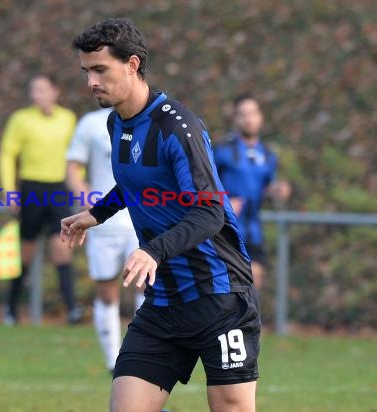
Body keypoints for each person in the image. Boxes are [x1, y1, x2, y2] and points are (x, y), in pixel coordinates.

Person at [61, 18, 260, 412]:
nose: (91, 82)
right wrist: (97, 213)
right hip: (165, 301)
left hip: (218, 296)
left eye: (100, 70)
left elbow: (209, 213)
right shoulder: (117, 122)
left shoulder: (177, 127)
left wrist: (153, 251)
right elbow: (142, 181)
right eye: (87, 72)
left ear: (132, 65)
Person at [0, 74, 84, 325]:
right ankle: (11, 309)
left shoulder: (68, 119)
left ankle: (72, 310)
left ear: (55, 91)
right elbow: (7, 154)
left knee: (62, 249)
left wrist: (79, 185)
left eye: (42, 89)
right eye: (33, 90)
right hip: (32, 188)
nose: (37, 95)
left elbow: (76, 157)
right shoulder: (21, 119)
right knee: (25, 252)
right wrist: (9, 190)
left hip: (59, 189)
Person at [66, 107, 144, 373]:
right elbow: (73, 167)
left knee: (146, 288)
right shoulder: (91, 123)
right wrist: (87, 200)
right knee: (107, 292)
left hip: (139, 223)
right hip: (103, 225)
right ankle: (114, 361)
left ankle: (142, 355)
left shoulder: (148, 118)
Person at [214, 95, 292, 289]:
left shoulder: (268, 155)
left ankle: (248, 319)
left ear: (261, 117)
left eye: (253, 113)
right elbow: (202, 186)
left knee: (253, 284)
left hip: (253, 232)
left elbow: (266, 187)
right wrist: (224, 202)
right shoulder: (222, 151)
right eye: (243, 114)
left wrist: (277, 190)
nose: (248, 119)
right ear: (235, 119)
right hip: (225, 230)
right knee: (227, 289)